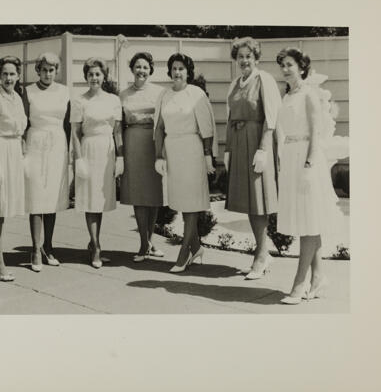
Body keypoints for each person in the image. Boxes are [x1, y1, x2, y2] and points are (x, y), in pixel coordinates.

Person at [275, 47, 339, 304]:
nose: (286, 69)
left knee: (308, 222)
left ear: (302, 67)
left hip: (307, 159)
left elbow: (317, 134)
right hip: (291, 158)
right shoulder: (287, 95)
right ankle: (319, 278)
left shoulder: (310, 95)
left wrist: (309, 166)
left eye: (290, 64)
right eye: (283, 65)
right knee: (307, 220)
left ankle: (299, 284)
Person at [154, 53, 217, 273]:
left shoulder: (196, 93)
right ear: (169, 71)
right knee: (180, 201)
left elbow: (207, 127)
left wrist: (209, 155)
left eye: (181, 68)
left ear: (188, 72)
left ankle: (184, 252)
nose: (177, 72)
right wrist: (159, 156)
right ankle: (197, 247)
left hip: (192, 150)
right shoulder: (164, 95)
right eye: (174, 68)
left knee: (191, 203)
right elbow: (159, 128)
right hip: (172, 151)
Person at [224, 37, 281, 280]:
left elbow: (272, 117)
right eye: (240, 57)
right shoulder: (235, 83)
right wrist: (227, 150)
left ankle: (261, 254)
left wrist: (264, 149)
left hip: (257, 142)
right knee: (249, 202)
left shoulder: (264, 80)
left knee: (259, 201)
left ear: (256, 58)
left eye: (248, 56)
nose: (244, 60)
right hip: (238, 144)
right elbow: (229, 117)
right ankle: (261, 251)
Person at [70, 57, 123, 269]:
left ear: (104, 76)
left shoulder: (113, 100)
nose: (94, 78)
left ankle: (94, 243)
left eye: (98, 74)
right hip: (88, 148)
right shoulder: (79, 101)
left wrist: (120, 157)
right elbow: (74, 133)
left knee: (99, 201)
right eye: (90, 74)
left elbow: (118, 131)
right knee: (89, 200)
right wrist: (78, 159)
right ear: (86, 77)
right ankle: (96, 246)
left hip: (107, 150)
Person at [22, 53, 71, 272]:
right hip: (35, 145)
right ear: (38, 70)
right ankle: (35, 249)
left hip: (57, 146)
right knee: (36, 198)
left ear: (56, 71)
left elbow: (69, 125)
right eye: (44, 69)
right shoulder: (28, 91)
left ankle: (48, 247)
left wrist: (70, 154)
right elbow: (23, 124)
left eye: (52, 70)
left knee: (52, 198)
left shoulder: (64, 91)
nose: (48, 73)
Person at [0, 56, 27, 281]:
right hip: (0, 152)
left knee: (3, 208)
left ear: (18, 76)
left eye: (12, 74)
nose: (9, 78)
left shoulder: (17, 97)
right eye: (5, 74)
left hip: (14, 151)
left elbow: (20, 129)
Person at [119, 52, 165, 262]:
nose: (141, 71)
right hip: (133, 142)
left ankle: (151, 241)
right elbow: (118, 125)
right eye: (138, 67)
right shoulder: (123, 95)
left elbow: (164, 121)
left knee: (154, 195)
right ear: (132, 69)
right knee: (139, 194)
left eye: (145, 67)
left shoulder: (160, 92)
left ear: (151, 70)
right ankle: (143, 245)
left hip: (154, 142)